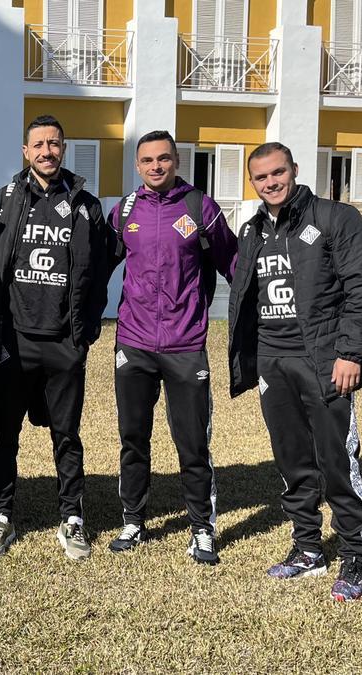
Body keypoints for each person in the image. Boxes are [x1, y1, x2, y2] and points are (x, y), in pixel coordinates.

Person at [229, 141, 362, 601]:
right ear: (252, 182)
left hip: (323, 360)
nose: (270, 182)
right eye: (261, 177)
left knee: (337, 460)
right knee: (292, 460)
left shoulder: (335, 218)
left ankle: (356, 552)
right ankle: (307, 547)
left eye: (278, 173)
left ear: (294, 170)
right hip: (272, 362)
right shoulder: (251, 230)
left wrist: (351, 353)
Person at [0, 115, 115, 561]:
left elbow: (100, 272)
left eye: (54, 144)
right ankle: (1, 516)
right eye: (38, 144)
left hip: (64, 343)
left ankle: (72, 517)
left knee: (67, 434)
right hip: (13, 342)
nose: (47, 152)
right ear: (25, 151)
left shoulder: (86, 206)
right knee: (5, 434)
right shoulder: (0, 202)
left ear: (64, 148)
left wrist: (86, 332)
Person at [106, 130, 238, 565]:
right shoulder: (124, 211)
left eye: (164, 159)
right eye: (147, 160)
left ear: (176, 161)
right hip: (134, 342)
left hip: (185, 343)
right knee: (133, 438)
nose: (156, 166)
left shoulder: (200, 207)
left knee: (192, 441)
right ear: (137, 165)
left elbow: (234, 262)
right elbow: (93, 266)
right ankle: (133, 520)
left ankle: (201, 528)